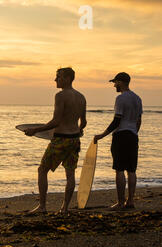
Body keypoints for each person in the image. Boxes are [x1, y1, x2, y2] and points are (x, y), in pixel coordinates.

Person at [24, 67, 87, 214]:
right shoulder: (81, 97)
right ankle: (64, 208)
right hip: (74, 140)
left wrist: (35, 130)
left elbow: (56, 121)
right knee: (70, 174)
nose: (55, 80)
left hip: (61, 139)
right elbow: (83, 122)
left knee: (42, 170)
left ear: (67, 78)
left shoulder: (60, 96)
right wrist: (78, 130)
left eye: (58, 77)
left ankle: (42, 207)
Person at [94, 72, 142, 210]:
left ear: (121, 82)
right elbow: (139, 120)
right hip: (133, 136)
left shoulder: (120, 98)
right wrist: (134, 133)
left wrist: (101, 135)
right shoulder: (137, 98)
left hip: (121, 136)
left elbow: (117, 121)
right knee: (132, 170)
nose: (114, 85)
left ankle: (121, 202)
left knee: (119, 169)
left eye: (115, 82)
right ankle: (131, 201)